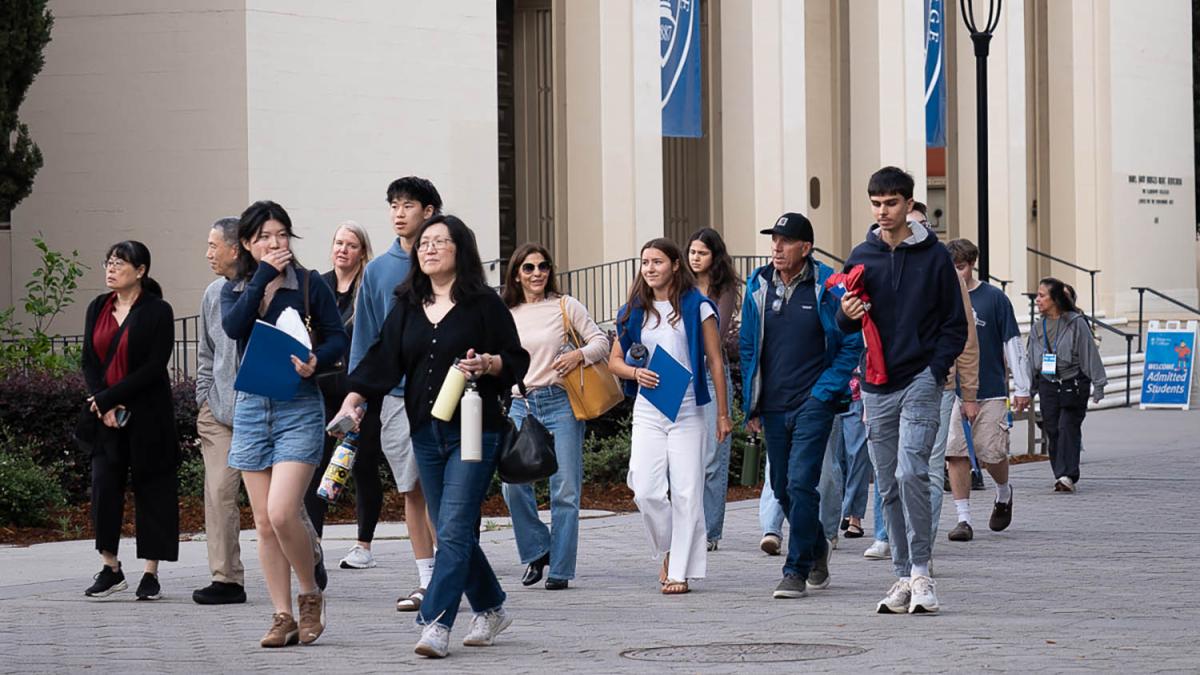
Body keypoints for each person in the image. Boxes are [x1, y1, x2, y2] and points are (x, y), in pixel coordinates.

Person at [336, 214, 530, 658]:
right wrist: (354, 398)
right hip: (425, 430)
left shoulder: (484, 303)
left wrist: (489, 364)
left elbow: (516, 359)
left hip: (475, 428)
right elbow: (382, 358)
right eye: (424, 243)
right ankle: (491, 608)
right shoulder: (407, 303)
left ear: (460, 249)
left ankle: (436, 623)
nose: (429, 248)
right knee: (448, 528)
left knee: (455, 527)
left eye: (440, 242)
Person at [837, 166, 968, 615]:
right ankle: (902, 575)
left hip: (920, 379)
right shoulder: (862, 255)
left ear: (909, 204)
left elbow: (955, 324)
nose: (883, 211)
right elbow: (843, 323)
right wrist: (846, 314)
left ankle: (922, 572)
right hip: (876, 383)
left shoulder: (935, 257)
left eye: (891, 203)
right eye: (876, 203)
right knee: (888, 483)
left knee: (912, 471)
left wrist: (935, 370)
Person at [222, 200, 348, 647]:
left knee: (282, 512)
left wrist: (316, 359)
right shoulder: (236, 288)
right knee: (262, 521)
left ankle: (310, 594)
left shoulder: (310, 284)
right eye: (264, 237)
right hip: (252, 407)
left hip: (299, 406)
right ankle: (282, 615)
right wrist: (260, 277)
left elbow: (337, 338)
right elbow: (234, 328)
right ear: (247, 244)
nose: (275, 244)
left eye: (281, 235)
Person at [739, 213, 862, 599]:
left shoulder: (829, 286)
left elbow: (851, 343)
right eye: (774, 240)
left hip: (814, 402)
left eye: (785, 241)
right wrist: (752, 404)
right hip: (773, 404)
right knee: (781, 487)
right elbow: (748, 347)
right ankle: (817, 547)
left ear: (805, 248)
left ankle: (795, 568)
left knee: (800, 482)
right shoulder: (758, 285)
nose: (776, 248)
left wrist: (824, 391)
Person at [610, 238, 732, 596]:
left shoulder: (697, 306)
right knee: (645, 489)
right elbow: (614, 361)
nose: (650, 268)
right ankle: (668, 547)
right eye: (645, 262)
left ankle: (679, 569)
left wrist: (723, 414)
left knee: (686, 490)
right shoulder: (634, 310)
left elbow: (715, 361)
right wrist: (635, 373)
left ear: (675, 265)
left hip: (689, 408)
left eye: (658, 261)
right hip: (649, 407)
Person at [349, 176, 442, 611]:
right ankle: (428, 580)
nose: (398, 213)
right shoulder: (378, 271)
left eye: (408, 205)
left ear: (429, 211)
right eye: (393, 205)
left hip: (446, 392)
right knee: (412, 489)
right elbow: (365, 339)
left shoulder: (447, 260)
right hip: (397, 398)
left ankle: (453, 572)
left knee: (446, 488)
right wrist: (357, 395)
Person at [500, 243, 609, 590]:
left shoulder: (565, 305)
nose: (537, 273)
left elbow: (601, 341)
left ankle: (560, 569)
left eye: (543, 266)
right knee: (512, 485)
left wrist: (578, 355)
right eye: (529, 267)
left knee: (564, 490)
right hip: (521, 404)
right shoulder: (506, 312)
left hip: (560, 402)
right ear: (517, 274)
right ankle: (537, 549)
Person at [80, 241, 179, 601]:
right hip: (106, 417)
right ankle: (110, 567)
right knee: (104, 486)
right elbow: (89, 361)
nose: (111, 268)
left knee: (153, 488)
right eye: (108, 262)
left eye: (120, 263)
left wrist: (108, 398)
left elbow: (154, 367)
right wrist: (101, 402)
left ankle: (151, 572)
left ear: (140, 271)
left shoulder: (158, 311)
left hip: (148, 414)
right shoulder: (98, 307)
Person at [302, 221, 388, 570]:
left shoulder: (368, 287)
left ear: (362, 252)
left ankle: (363, 544)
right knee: (315, 463)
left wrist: (364, 390)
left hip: (361, 389)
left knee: (362, 464)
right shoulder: (318, 286)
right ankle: (314, 544)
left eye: (351, 245)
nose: (343, 250)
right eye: (339, 243)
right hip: (323, 387)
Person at [943, 238, 1031, 539]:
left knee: (991, 452)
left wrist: (1022, 386)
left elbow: (1011, 342)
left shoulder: (994, 298)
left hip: (990, 387)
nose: (957, 274)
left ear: (972, 265)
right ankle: (963, 518)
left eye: (961, 267)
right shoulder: (942, 298)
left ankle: (1004, 491)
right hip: (951, 389)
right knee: (955, 452)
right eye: (952, 268)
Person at [909, 204, 980, 555]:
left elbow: (965, 334)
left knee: (931, 466)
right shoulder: (875, 262)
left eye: (920, 225)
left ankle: (921, 548)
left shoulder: (944, 272)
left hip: (939, 382)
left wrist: (970, 392)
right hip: (891, 384)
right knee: (901, 470)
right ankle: (896, 537)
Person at [193, 218, 247, 605]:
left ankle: (308, 560)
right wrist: (204, 398)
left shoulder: (264, 290)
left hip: (260, 411)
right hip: (217, 412)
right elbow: (206, 352)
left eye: (214, 246)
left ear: (236, 248)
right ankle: (226, 579)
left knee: (280, 503)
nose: (208, 253)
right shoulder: (212, 293)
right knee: (218, 493)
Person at [685, 228, 742, 551]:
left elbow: (715, 334)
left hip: (709, 375)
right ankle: (688, 525)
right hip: (681, 375)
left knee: (712, 458)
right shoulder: (680, 285)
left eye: (702, 253)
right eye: (692, 252)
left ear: (714, 256)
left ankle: (710, 531)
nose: (695, 258)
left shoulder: (724, 288)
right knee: (684, 458)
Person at [1028, 277, 1106, 493]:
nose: (1037, 300)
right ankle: (1060, 473)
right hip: (1048, 384)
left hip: (1073, 383)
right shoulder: (1038, 327)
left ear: (1055, 299)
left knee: (1067, 427)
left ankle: (1067, 475)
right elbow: (1031, 360)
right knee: (1052, 429)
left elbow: (1089, 354)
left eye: (1042, 295)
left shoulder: (1076, 323)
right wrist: (1027, 391)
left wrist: (1098, 385)